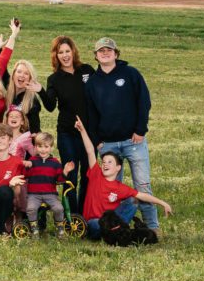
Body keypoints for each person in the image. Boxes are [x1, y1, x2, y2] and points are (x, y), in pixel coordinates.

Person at [84, 36, 161, 235]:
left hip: (132, 140)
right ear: (96, 56)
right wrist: (97, 141)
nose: (105, 53)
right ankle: (111, 227)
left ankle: (152, 226)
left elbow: (144, 102)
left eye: (109, 50)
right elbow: (90, 114)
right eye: (101, 51)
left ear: (116, 53)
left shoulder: (131, 74)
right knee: (108, 190)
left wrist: (140, 130)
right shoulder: (92, 83)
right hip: (108, 144)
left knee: (142, 184)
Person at [75, 117, 172, 239]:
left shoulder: (119, 188)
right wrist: (82, 130)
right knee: (95, 223)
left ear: (118, 168)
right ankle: (112, 233)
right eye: (104, 162)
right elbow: (90, 151)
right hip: (95, 224)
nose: (105, 164)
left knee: (133, 201)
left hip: (110, 223)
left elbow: (142, 195)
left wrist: (162, 203)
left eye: (110, 162)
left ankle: (116, 231)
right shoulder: (96, 175)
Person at [32, 35, 95, 214]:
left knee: (88, 176)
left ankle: (86, 212)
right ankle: (73, 216)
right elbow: (51, 106)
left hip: (89, 132)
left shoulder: (87, 70)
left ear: (73, 51)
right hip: (67, 132)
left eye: (68, 51)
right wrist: (41, 91)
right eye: (61, 52)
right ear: (56, 55)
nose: (65, 55)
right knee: (71, 175)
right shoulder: (54, 79)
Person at [23, 132, 75, 238]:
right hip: (34, 194)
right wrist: (26, 167)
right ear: (36, 147)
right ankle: (34, 229)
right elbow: (25, 175)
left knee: (59, 208)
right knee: (31, 208)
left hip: (50, 194)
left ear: (51, 147)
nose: (43, 149)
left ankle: (60, 228)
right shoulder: (32, 161)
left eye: (46, 147)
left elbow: (59, 180)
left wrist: (65, 171)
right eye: (40, 146)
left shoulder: (55, 163)